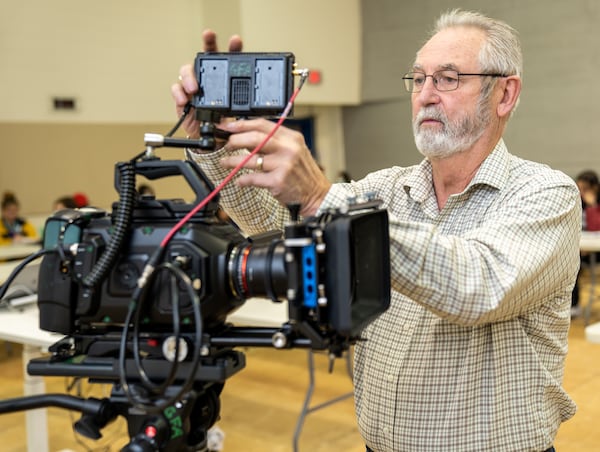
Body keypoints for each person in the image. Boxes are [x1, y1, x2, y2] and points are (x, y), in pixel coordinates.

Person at [172, 10, 580, 451]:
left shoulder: (545, 193)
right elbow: (273, 228)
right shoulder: (384, 189)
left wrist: (321, 197)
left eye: (447, 79)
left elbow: (479, 286)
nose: (425, 95)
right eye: (418, 79)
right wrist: (215, 142)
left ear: (504, 93)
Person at [571, 170, 600, 316]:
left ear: (594, 188)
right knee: (569, 264)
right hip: (580, 248)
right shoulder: (575, 201)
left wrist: (593, 205)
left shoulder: (596, 204)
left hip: (596, 250)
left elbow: (596, 228)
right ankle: (573, 304)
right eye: (579, 188)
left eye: (585, 189)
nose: (581, 193)